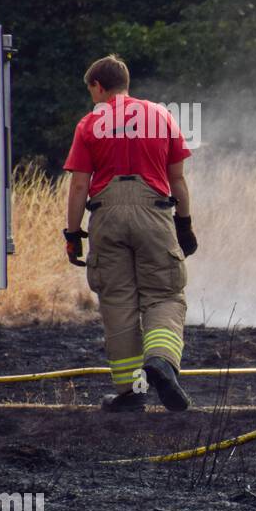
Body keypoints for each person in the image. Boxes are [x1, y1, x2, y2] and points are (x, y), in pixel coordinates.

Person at [62, 54, 198, 412]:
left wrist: (72, 234)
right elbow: (177, 179)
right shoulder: (161, 116)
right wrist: (184, 223)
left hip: (106, 217)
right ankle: (162, 361)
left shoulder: (89, 123)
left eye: (90, 89)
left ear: (98, 86)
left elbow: (79, 186)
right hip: (154, 214)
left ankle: (131, 391)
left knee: (118, 301)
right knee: (164, 294)